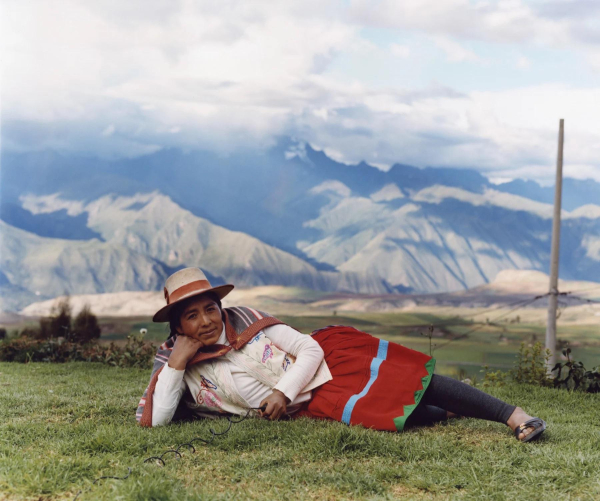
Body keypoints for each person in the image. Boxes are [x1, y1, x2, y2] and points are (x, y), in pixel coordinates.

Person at [136, 268, 547, 442]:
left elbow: (307, 348)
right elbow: (155, 422)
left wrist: (282, 391)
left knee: (408, 384)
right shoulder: (180, 367)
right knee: (399, 416)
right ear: (178, 327)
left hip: (329, 364)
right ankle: (455, 407)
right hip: (312, 404)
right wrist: (177, 362)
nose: (207, 321)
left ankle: (515, 416)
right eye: (192, 316)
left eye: (210, 308)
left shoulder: (248, 321)